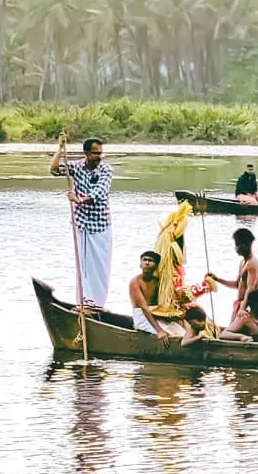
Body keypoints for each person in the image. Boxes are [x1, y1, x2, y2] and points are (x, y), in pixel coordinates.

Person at [50, 134, 114, 309]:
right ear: (86, 153)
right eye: (95, 153)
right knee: (83, 265)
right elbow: (54, 169)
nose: (99, 157)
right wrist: (60, 148)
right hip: (81, 224)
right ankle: (84, 301)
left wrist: (79, 200)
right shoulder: (77, 166)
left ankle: (96, 303)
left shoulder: (105, 170)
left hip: (100, 225)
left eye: (100, 153)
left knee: (99, 265)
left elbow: (100, 193)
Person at [209, 227, 258, 322]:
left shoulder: (252, 264)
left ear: (245, 245)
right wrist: (218, 279)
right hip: (240, 304)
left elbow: (250, 289)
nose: (235, 248)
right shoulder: (242, 262)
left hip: (248, 306)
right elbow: (238, 285)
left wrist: (242, 308)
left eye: (237, 245)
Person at [129, 251, 172, 342]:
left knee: (179, 330)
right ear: (140, 264)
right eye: (144, 260)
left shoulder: (157, 282)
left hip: (156, 314)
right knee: (168, 334)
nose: (147, 263)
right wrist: (160, 331)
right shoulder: (135, 282)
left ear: (156, 266)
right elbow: (144, 308)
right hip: (142, 316)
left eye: (150, 260)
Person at [181, 305, 253, 346]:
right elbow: (183, 343)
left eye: (203, 320)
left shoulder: (205, 326)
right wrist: (199, 337)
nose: (203, 323)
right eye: (199, 321)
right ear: (191, 322)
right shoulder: (192, 329)